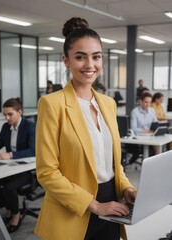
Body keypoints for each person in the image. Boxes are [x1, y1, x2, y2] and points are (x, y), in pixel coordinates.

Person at [34, 17, 136, 240]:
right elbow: (47, 172)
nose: (90, 65)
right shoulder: (52, 104)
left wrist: (127, 188)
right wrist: (95, 206)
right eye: (80, 57)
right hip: (73, 207)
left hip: (112, 201)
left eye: (96, 57)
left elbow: (113, 164)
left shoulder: (108, 104)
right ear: (66, 61)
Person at [0, 97, 35, 233]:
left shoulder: (30, 126)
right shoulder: (6, 127)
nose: (7, 118)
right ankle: (9, 208)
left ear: (19, 112)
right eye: (5, 115)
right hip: (11, 169)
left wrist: (10, 155)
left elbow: (33, 150)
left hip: (27, 171)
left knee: (9, 188)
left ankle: (16, 215)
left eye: (10, 114)